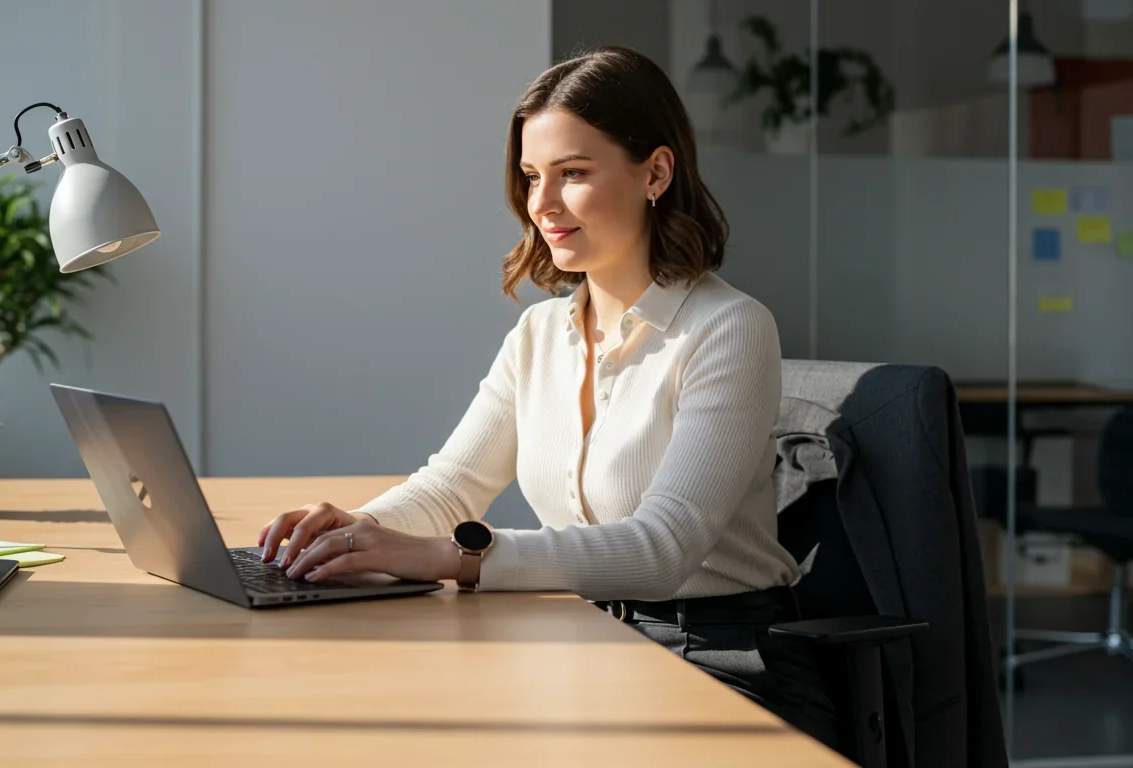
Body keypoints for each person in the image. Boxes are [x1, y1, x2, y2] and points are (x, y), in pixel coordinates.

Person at [258, 46, 839, 747]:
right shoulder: (540, 334)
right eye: (533, 176)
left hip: (720, 660)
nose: (542, 205)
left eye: (574, 174)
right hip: (584, 638)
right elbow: (451, 488)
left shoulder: (729, 329)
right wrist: (353, 536)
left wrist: (451, 558)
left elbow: (664, 549)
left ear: (655, 172)